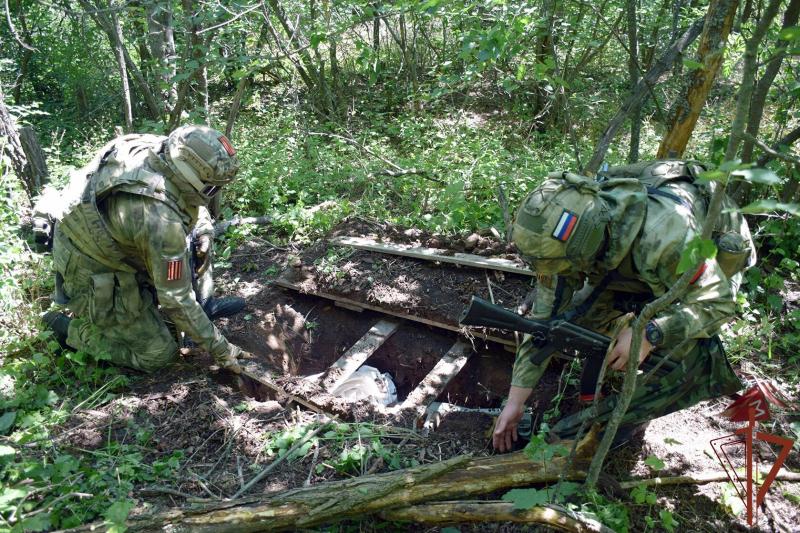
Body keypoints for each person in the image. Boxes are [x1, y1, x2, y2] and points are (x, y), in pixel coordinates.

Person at [493, 160, 756, 451]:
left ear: (585, 249)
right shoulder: (575, 237)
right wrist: (516, 401)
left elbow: (718, 304)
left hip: (701, 269)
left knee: (679, 361)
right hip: (630, 261)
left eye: (565, 267)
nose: (561, 273)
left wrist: (650, 333)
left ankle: (623, 419)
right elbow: (544, 321)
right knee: (570, 322)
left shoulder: (666, 238)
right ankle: (617, 340)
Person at [39, 125, 250, 373]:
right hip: (92, 261)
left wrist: (203, 228)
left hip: (118, 237)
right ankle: (65, 327)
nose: (214, 193)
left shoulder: (166, 150)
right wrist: (222, 350)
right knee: (159, 357)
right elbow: (175, 299)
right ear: (191, 174)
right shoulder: (160, 221)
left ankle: (201, 310)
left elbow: (185, 195)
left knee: (197, 243)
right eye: (212, 188)